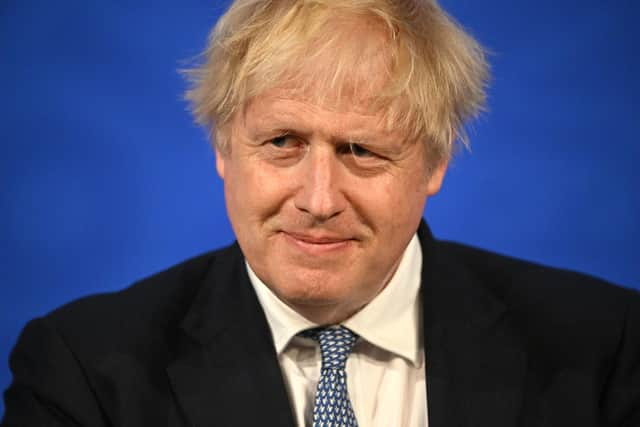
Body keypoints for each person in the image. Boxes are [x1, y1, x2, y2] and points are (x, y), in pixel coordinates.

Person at [2, 0, 639, 425]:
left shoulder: (606, 349)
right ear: (223, 147)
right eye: (282, 143)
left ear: (435, 164)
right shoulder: (82, 373)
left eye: (362, 150)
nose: (319, 200)